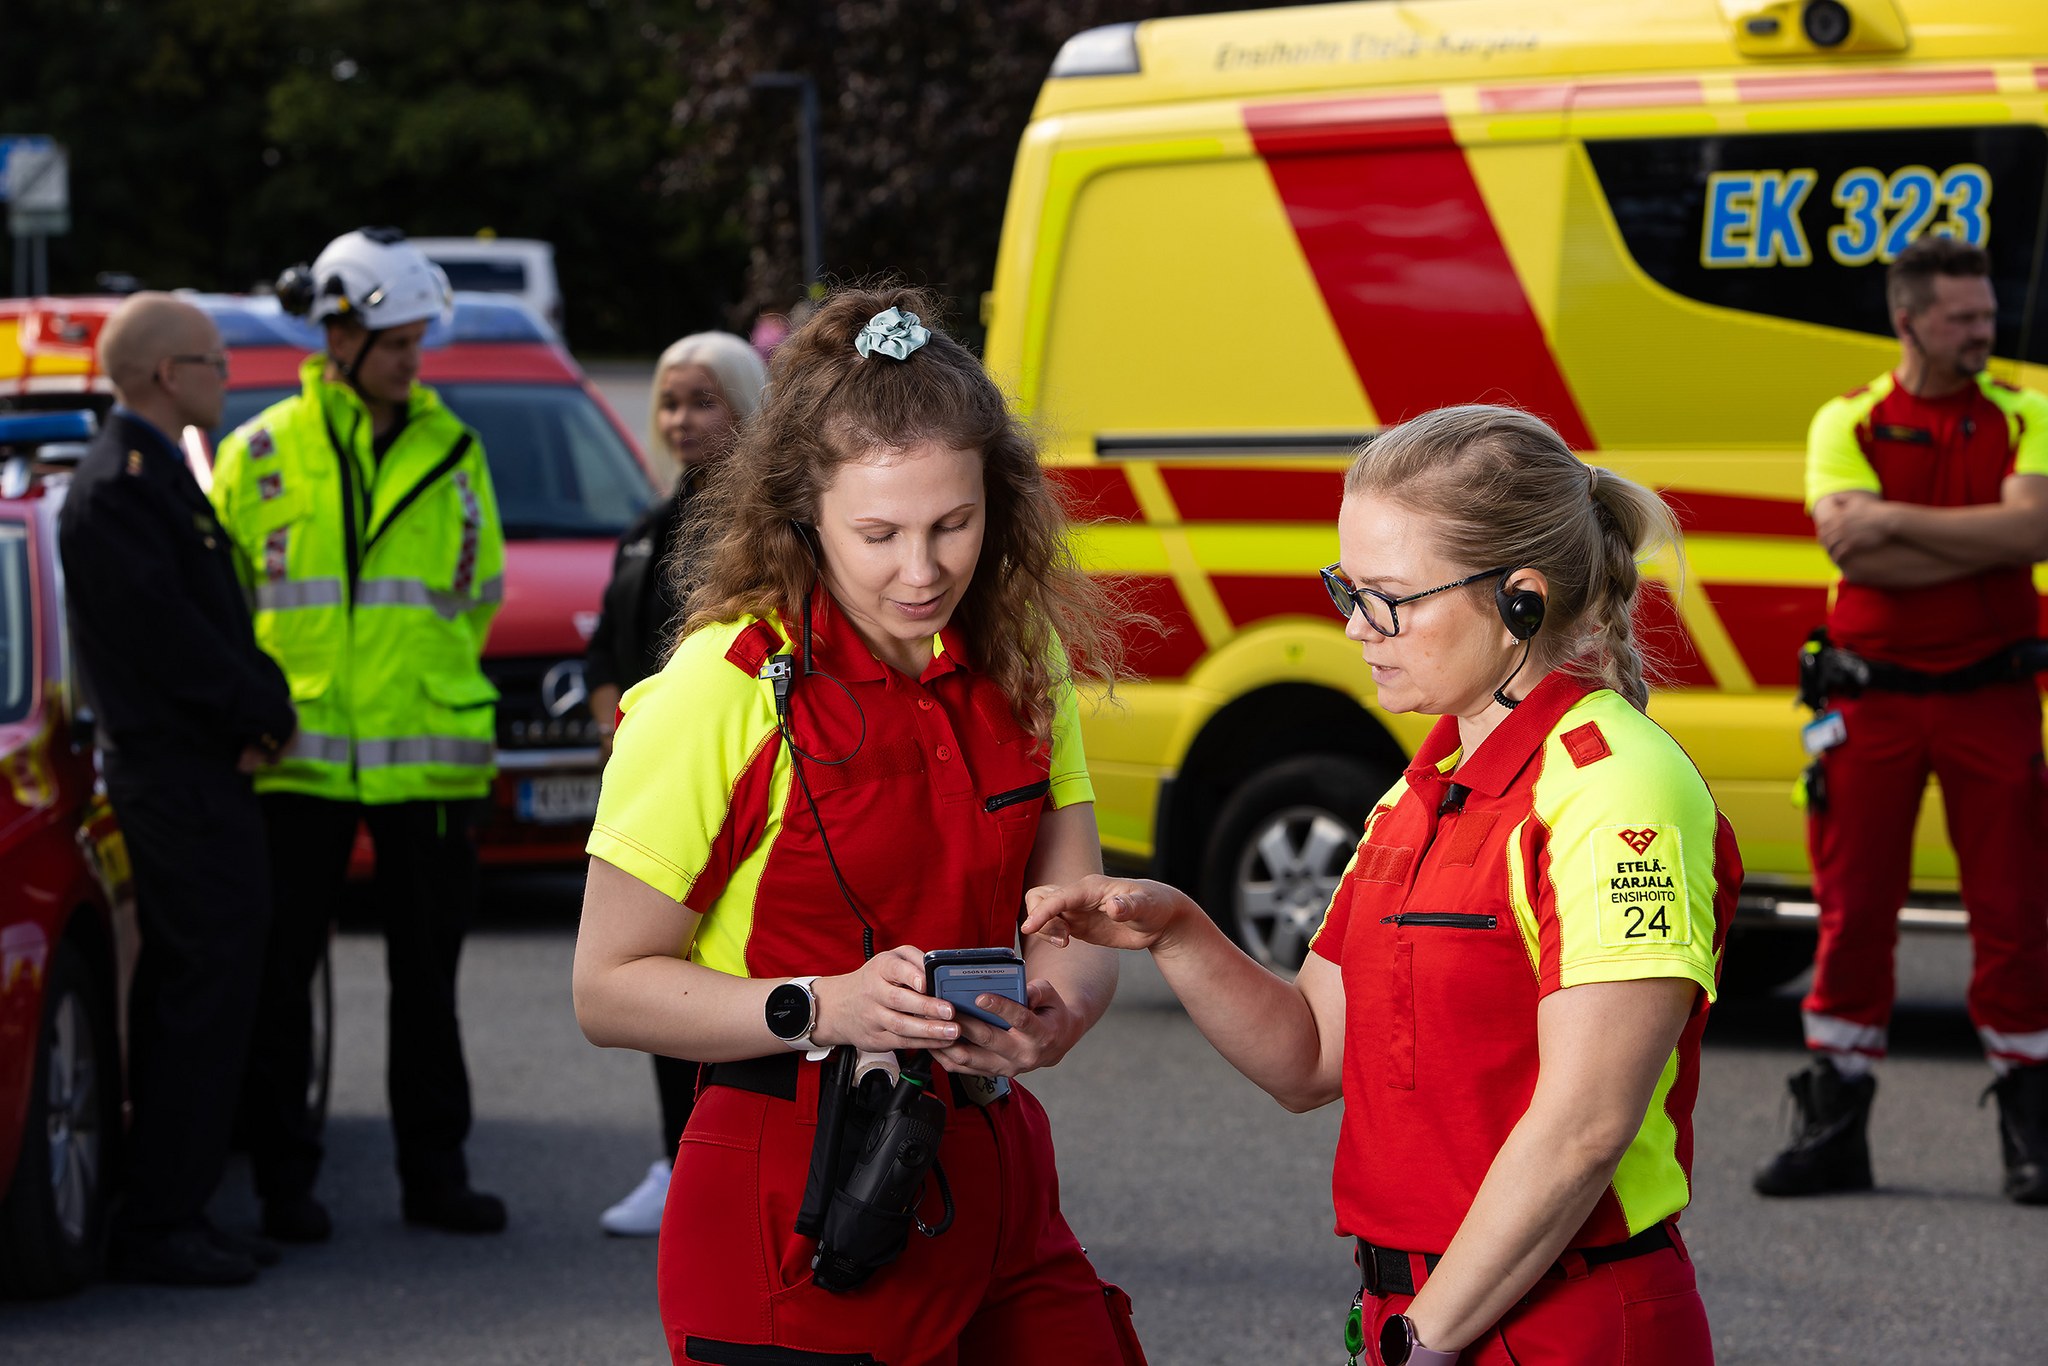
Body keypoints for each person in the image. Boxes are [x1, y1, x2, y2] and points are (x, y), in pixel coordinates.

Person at [1026, 405, 1739, 1366]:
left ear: (1520, 600)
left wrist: (1422, 1339)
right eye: (1346, 588)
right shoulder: (1424, 786)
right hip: (1424, 1314)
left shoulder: (1617, 785)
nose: (1357, 627)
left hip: (1558, 1322)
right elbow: (1312, 1056)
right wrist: (1179, 933)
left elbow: (1586, 1126)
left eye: (1388, 597)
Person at [572, 286, 1148, 1365]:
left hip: (997, 1168)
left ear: (1000, 500)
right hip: (796, 1190)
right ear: (803, 514)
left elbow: (1071, 919)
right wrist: (822, 1004)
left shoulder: (1024, 662)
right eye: (878, 533)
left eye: (954, 523)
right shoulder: (722, 685)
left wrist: (1057, 1007)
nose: (922, 570)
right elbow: (604, 987)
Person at [211, 227, 509, 1240]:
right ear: (335, 335)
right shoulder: (257, 454)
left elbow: (477, 594)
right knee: (281, 982)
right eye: (393, 342)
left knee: (429, 987)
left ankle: (438, 1176)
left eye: (417, 341)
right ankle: (284, 1188)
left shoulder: (455, 448)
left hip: (427, 760)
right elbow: (223, 610)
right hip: (294, 762)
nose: (410, 359)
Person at [1758, 235, 2048, 1204]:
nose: (1983, 329)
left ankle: (2029, 1125)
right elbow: (1860, 557)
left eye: (1984, 312)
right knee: (1851, 916)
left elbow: (2035, 530)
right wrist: (1979, 546)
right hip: (1867, 701)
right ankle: (1833, 1125)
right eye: (1962, 316)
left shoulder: (2023, 411)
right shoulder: (1844, 419)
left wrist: (1892, 524)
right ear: (1906, 318)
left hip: (1993, 697)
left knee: (2013, 915)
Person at [57, 293, 298, 1285]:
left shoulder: (158, 477)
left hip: (199, 772)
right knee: (200, 994)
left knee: (199, 993)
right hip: (178, 777)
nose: (226, 376)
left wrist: (259, 704)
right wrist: (260, 711)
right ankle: (161, 1220)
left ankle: (178, 1205)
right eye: (213, 360)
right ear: (167, 374)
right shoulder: (120, 486)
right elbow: (173, 647)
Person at [586, 331, 768, 1236]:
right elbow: (608, 652)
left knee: (732, 986)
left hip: (738, 795)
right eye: (669, 402)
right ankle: (679, 1158)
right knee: (654, 983)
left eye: (703, 399)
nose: (683, 420)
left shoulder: (764, 532)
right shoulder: (650, 527)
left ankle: (721, 1161)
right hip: (656, 799)